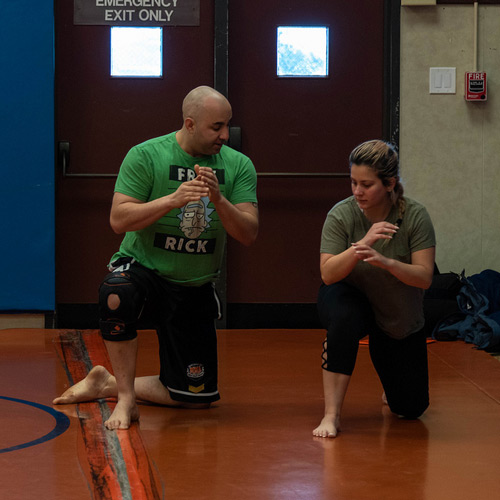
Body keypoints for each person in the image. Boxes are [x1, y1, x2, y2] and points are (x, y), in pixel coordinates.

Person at [53, 86, 259, 430]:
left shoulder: (238, 166)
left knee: (194, 397)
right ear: (190, 124)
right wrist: (171, 200)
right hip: (145, 272)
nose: (225, 135)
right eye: (216, 127)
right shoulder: (146, 155)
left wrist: (219, 201)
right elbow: (119, 220)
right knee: (116, 292)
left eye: (227, 126)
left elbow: (248, 234)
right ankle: (127, 401)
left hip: (193, 286)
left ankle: (107, 383)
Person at [312, 139, 435, 438]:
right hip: (349, 297)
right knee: (344, 319)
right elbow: (327, 273)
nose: (357, 191)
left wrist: (386, 262)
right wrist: (363, 244)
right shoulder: (341, 214)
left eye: (367, 185)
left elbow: (424, 277)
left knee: (410, 409)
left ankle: (389, 377)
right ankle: (332, 415)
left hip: (395, 309)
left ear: (390, 183)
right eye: (353, 182)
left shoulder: (415, 216)